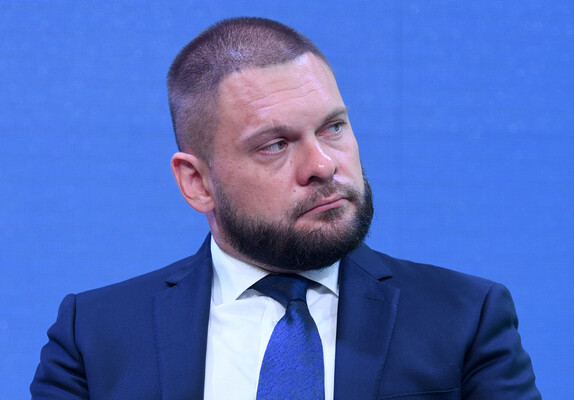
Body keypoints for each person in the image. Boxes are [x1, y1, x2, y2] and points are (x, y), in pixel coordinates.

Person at [31, 17, 541, 400]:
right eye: (275, 145)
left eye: (333, 127)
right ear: (197, 182)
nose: (323, 165)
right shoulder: (94, 337)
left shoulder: (465, 318)